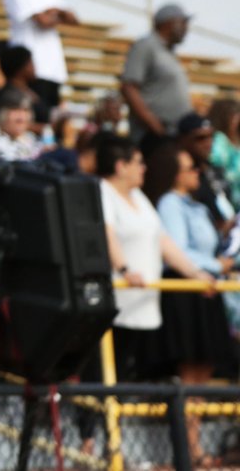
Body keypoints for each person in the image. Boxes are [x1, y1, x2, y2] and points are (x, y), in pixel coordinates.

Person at [146, 143, 237, 462]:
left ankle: (193, 445)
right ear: (175, 173)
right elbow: (177, 249)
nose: (197, 172)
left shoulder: (195, 205)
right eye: (190, 168)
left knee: (203, 370)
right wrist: (216, 266)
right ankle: (188, 448)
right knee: (190, 371)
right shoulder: (170, 203)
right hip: (187, 290)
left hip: (205, 287)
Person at [96, 136, 213, 383]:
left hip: (145, 301)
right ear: (121, 166)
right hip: (118, 301)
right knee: (111, 371)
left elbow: (163, 240)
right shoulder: (103, 192)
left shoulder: (138, 196)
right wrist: (125, 269)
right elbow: (107, 234)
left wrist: (196, 273)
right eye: (138, 162)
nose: (144, 168)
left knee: (134, 373)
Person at [2, 0, 78, 111]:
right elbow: (42, 21)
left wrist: (53, 11)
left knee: (51, 117)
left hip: (52, 69)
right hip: (33, 66)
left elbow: (73, 19)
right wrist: (58, 12)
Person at [121, 3, 193, 147]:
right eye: (183, 22)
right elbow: (129, 88)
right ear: (168, 22)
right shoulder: (146, 46)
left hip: (170, 134)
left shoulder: (168, 51)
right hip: (152, 137)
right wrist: (156, 127)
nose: (186, 28)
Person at [0, 89, 43, 162]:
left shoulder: (36, 143)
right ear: (2, 114)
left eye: (25, 110)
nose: (21, 117)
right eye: (15, 110)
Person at [208, 97, 240, 210]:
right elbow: (219, 170)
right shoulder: (219, 141)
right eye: (233, 116)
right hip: (227, 200)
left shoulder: (235, 141)